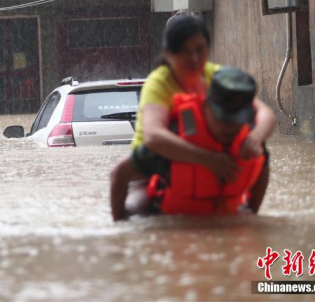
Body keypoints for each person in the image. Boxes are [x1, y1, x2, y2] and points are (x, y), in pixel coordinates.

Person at [110, 15, 276, 221]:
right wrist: (208, 160)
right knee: (141, 221)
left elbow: (265, 113)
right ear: (168, 54)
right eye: (184, 52)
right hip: (154, 167)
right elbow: (154, 137)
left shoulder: (216, 76)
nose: (195, 59)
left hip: (214, 155)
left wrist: (255, 138)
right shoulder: (158, 83)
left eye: (200, 49)